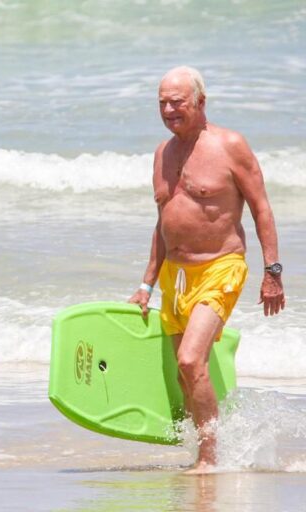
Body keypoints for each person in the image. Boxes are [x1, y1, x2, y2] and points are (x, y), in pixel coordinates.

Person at [128, 66, 284, 473]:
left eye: (176, 101)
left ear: (200, 101)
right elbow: (163, 222)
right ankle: (213, 442)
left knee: (189, 360)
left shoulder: (231, 146)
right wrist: (146, 283)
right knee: (184, 374)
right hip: (175, 277)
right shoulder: (163, 153)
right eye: (161, 102)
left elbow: (261, 207)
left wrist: (273, 271)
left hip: (221, 268)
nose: (167, 109)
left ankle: (210, 459)